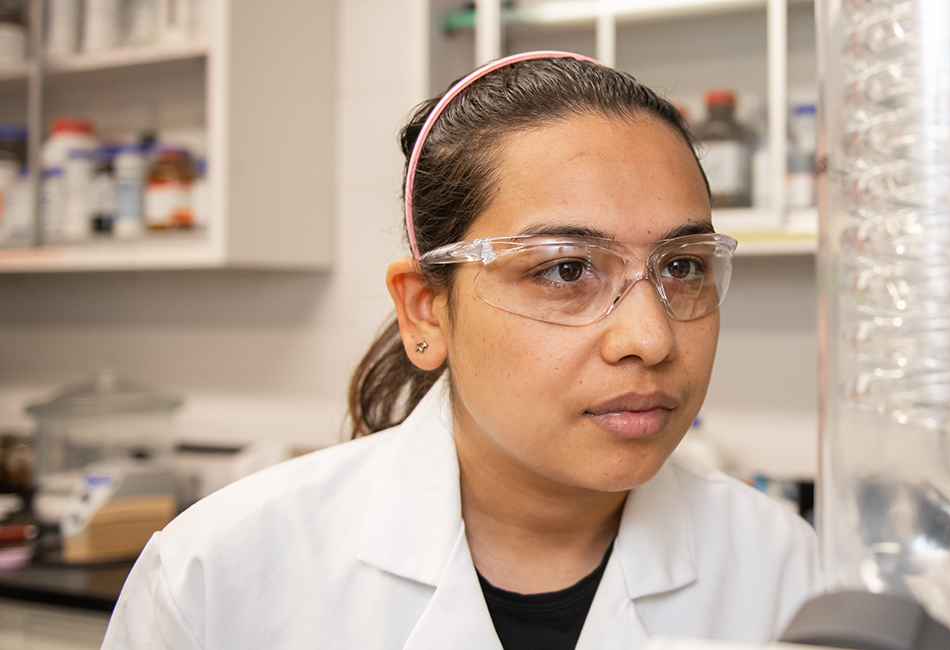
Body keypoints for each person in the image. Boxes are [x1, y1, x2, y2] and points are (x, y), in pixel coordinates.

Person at [102, 52, 821, 649]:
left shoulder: (790, 574)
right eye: (566, 269)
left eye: (683, 266)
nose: (651, 338)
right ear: (426, 310)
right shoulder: (216, 577)